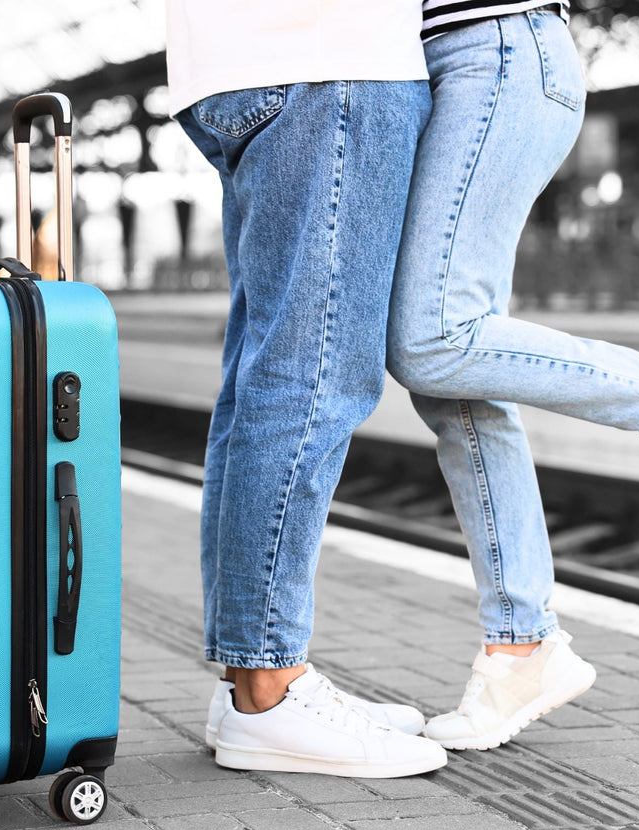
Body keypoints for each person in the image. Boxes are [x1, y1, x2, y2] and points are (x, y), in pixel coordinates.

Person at [385, 0, 639, 751]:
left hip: (489, 45)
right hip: (440, 61)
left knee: (432, 339)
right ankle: (521, 647)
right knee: (453, 380)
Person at [166, 2, 449, 777]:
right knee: (313, 376)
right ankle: (270, 688)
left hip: (239, 63)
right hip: (329, 59)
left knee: (263, 378)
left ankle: (250, 677)